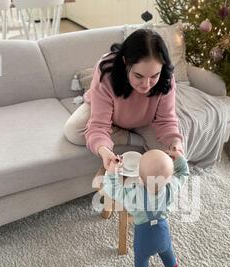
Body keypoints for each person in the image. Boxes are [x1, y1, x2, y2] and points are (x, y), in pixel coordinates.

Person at [63, 29, 185, 169]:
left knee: (170, 161)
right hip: (108, 113)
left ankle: (137, 137)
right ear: (125, 62)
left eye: (154, 76)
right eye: (139, 76)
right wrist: (105, 151)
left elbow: (166, 121)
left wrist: (176, 144)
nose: (146, 85)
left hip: (145, 121)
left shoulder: (166, 77)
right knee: (73, 131)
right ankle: (134, 139)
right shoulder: (107, 71)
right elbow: (99, 125)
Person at [103, 149, 189, 267]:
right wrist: (179, 158)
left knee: (141, 260)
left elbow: (113, 189)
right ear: (168, 179)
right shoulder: (171, 188)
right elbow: (183, 174)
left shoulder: (133, 195)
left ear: (139, 179)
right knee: (168, 253)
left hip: (144, 238)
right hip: (163, 234)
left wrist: (112, 170)